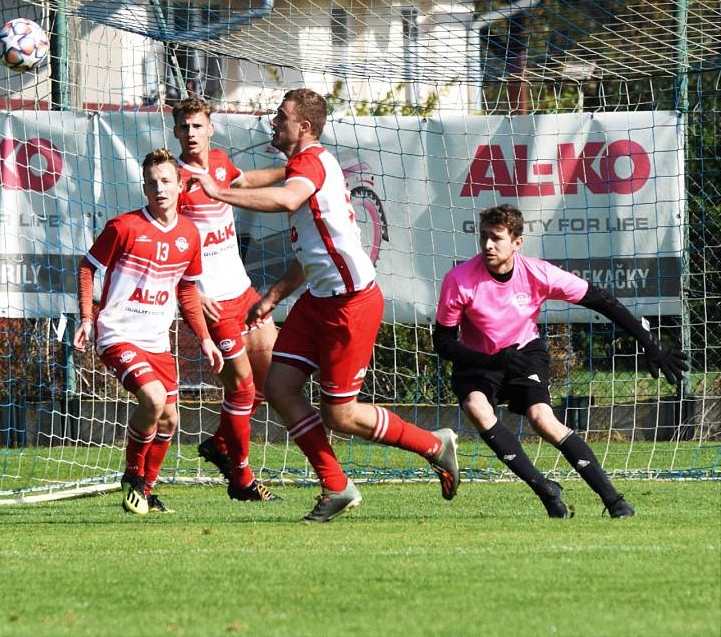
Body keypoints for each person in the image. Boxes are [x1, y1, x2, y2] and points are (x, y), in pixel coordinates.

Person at [196, 88, 460, 523]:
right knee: (279, 388)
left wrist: (217, 192)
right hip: (319, 300)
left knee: (340, 414)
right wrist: (273, 297)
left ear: (303, 127)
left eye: (281, 116)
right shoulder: (309, 164)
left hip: (351, 303)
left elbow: (286, 198)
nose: (272, 122)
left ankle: (434, 445)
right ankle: (335, 485)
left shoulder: (311, 163)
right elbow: (312, 252)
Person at [433, 203, 688, 518]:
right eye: (484, 237)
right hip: (479, 360)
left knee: (543, 419)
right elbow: (443, 343)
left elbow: (601, 300)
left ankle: (615, 501)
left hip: (524, 352)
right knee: (476, 408)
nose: (487, 245)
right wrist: (492, 361)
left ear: (516, 242)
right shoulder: (459, 280)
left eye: (496, 238)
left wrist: (650, 344)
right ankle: (546, 490)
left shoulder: (537, 273)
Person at [74, 148, 223, 516]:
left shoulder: (189, 234)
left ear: (180, 186)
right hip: (117, 333)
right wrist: (88, 317)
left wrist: (204, 338)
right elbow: (87, 267)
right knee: (154, 400)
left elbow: (187, 291)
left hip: (158, 340)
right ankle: (132, 476)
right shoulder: (124, 227)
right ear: (144, 188)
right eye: (152, 182)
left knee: (171, 418)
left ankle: (146, 492)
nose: (160, 188)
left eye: (166, 181)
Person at [172, 95, 284, 502]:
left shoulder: (219, 162)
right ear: (175, 132)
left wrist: (293, 171)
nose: (191, 133)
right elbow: (171, 241)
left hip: (244, 292)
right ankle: (242, 479)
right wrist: (194, 293)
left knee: (272, 383)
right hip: (213, 303)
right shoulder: (175, 181)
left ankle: (220, 444)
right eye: (184, 127)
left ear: (210, 129)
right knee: (240, 391)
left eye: (197, 126)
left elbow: (243, 182)